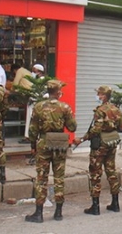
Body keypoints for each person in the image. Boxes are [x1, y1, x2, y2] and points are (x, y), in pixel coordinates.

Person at [25, 79, 77, 223]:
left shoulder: (39, 106)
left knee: (41, 178)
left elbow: (33, 129)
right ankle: (58, 212)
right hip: (59, 144)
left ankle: (39, 213)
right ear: (59, 92)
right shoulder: (65, 107)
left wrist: (33, 145)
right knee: (59, 178)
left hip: (43, 143)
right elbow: (72, 127)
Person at [73, 85, 122, 216]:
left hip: (100, 145)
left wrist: (81, 139)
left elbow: (95, 130)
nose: (97, 96)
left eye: (98, 94)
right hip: (112, 143)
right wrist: (111, 130)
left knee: (95, 173)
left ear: (103, 95)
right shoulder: (116, 109)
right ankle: (115, 204)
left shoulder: (100, 111)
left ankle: (95, 206)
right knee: (111, 171)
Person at [22, 63, 46, 144]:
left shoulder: (43, 81)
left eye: (34, 71)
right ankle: (28, 136)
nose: (32, 73)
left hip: (37, 104)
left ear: (39, 72)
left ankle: (32, 137)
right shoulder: (35, 81)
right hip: (32, 103)